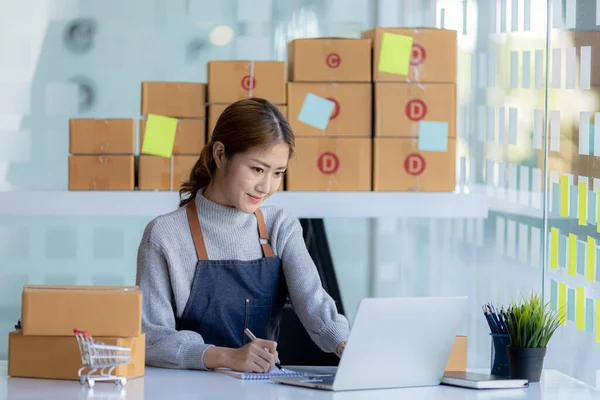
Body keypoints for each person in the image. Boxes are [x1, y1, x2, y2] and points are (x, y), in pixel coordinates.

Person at [136, 98, 349, 374]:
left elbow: (314, 303)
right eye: (257, 169)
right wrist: (225, 357)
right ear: (221, 154)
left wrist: (346, 344)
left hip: (261, 389)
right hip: (186, 389)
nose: (266, 186)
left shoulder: (279, 226)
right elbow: (152, 339)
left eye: (278, 173)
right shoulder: (165, 235)